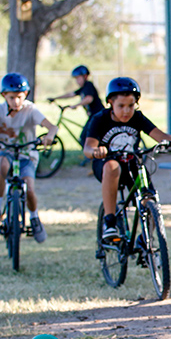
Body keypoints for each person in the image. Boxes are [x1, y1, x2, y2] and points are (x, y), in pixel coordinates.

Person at [83, 77, 171, 240]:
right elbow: (88, 148)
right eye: (121, 106)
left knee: (149, 196)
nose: (126, 111)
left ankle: (147, 239)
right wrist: (96, 151)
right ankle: (110, 221)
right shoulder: (100, 119)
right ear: (110, 102)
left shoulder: (137, 118)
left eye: (131, 106)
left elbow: (160, 136)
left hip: (131, 164)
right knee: (112, 166)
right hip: (106, 165)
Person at [0, 73, 59, 243]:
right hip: (6, 152)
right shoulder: (1, 111)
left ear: (25, 95)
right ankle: (0, 202)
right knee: (2, 166)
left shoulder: (31, 109)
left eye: (19, 97)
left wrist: (49, 135)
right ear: (4, 96)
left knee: (29, 188)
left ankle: (34, 217)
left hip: (27, 154)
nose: (16, 102)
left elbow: (52, 126)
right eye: (12, 98)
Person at [48, 65, 105, 150]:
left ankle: (91, 156)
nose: (77, 81)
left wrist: (76, 105)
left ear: (85, 76)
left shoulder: (88, 85)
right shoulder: (83, 88)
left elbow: (89, 98)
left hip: (97, 115)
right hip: (92, 116)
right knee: (86, 136)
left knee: (84, 137)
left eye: (78, 78)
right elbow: (71, 94)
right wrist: (55, 98)